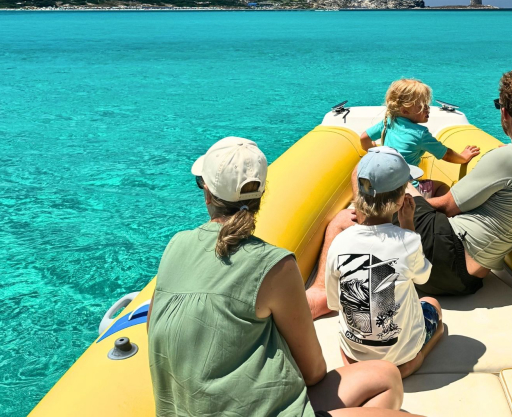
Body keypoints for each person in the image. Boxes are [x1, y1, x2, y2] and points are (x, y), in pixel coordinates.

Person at [147, 137, 417, 417]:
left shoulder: (175, 246)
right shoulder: (275, 265)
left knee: (385, 375)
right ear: (261, 196)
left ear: (207, 194)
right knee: (392, 387)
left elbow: (155, 333)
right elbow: (313, 372)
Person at [307, 68, 512, 315]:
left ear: (504, 112)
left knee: (366, 176)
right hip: (468, 280)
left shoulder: (507, 157)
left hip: (444, 253)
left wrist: (403, 200)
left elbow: (446, 208)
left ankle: (321, 291)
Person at [325, 147, 444, 379]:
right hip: (400, 356)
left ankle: (355, 363)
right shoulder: (407, 241)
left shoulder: (339, 242)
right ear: (402, 199)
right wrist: (408, 224)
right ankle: (412, 363)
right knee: (432, 305)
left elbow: (334, 303)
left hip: (356, 352)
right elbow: (422, 278)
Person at [358, 78, 479, 191]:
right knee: (441, 187)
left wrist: (374, 149)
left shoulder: (389, 121)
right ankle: (429, 207)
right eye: (422, 106)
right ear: (405, 111)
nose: (428, 109)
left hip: (386, 184)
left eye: (427, 104)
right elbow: (446, 154)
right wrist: (464, 157)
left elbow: (364, 138)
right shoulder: (420, 134)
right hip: (408, 187)